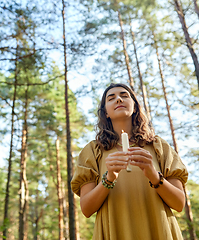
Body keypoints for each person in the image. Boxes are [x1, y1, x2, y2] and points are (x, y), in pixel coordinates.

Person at [71, 83, 188, 240]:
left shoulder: (159, 146)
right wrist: (109, 178)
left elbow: (179, 203)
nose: (118, 99)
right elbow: (87, 209)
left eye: (124, 95)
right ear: (105, 112)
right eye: (111, 98)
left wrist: (153, 175)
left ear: (134, 107)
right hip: (115, 231)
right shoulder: (92, 151)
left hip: (159, 230)